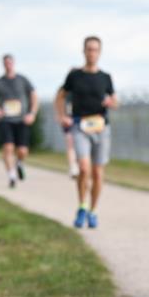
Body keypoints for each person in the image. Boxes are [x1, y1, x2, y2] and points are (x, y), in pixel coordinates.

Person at [54, 37, 117, 228]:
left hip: (101, 127)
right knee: (84, 168)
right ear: (83, 51)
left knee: (98, 172)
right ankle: (82, 206)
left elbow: (115, 100)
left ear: (100, 52)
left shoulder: (105, 77)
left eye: (95, 50)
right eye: (89, 49)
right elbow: (60, 96)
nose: (92, 53)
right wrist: (62, 115)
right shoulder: (75, 76)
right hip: (80, 126)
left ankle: (93, 211)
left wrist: (111, 103)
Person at [0, 54, 38, 188]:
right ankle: (11, 175)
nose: (8, 65)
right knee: (8, 147)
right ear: (3, 64)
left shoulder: (23, 80)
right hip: (6, 120)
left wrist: (32, 113)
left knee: (22, 150)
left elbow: (34, 96)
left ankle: (19, 163)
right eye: (5, 63)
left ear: (13, 63)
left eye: (10, 62)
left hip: (21, 120)